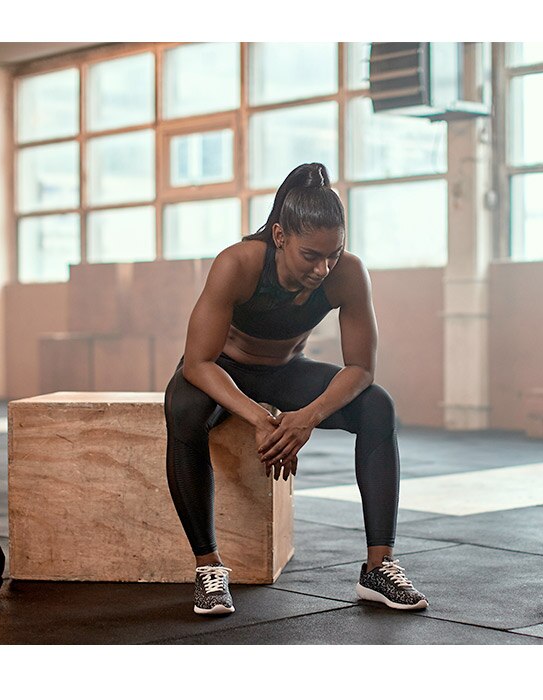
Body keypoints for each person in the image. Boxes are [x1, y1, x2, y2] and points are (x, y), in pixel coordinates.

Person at [164, 162, 428, 615]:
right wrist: (263, 421)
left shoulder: (348, 273)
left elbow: (361, 368)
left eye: (333, 253)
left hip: (287, 369)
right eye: (311, 256)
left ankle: (378, 567)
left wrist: (306, 418)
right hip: (223, 371)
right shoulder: (239, 263)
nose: (323, 268)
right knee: (184, 410)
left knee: (378, 407)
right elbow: (198, 362)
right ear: (281, 236)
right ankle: (208, 567)